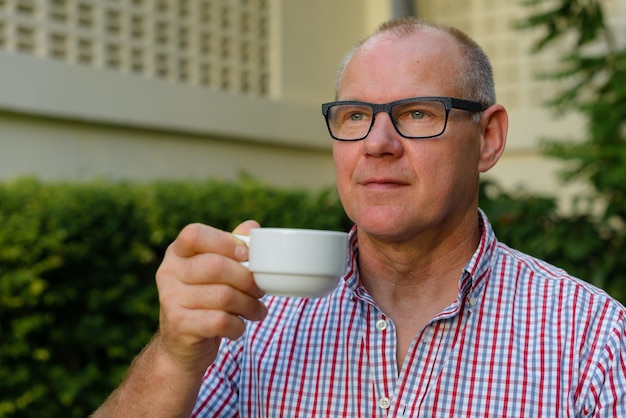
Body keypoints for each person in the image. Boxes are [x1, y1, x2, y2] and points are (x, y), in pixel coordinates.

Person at [93, 17, 626, 417]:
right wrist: (174, 357)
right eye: (354, 116)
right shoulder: (252, 319)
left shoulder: (590, 340)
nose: (377, 143)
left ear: (488, 139)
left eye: (417, 113)